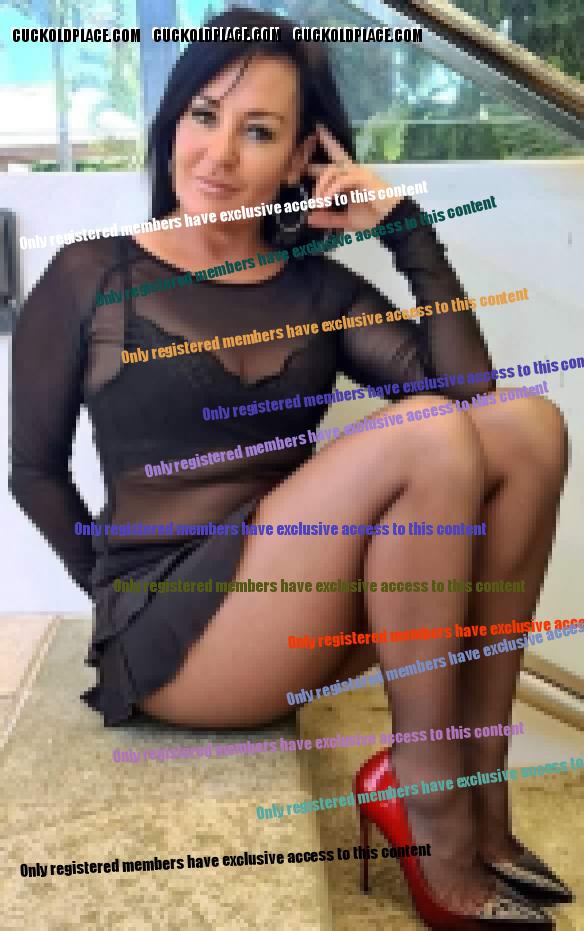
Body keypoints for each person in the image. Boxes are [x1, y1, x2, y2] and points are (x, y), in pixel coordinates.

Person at [10, 7, 570, 928]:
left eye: (259, 130)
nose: (219, 154)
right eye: (204, 115)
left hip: (292, 607)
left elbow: (475, 400)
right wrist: (113, 603)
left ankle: (479, 782)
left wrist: (406, 229)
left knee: (529, 428)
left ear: (302, 157)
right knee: (427, 433)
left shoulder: (319, 289)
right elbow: (32, 470)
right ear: (173, 120)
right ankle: (432, 805)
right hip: (175, 631)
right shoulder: (91, 276)